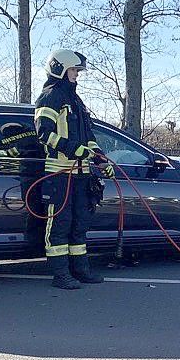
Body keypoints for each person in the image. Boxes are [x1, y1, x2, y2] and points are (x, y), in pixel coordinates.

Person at [34, 49, 115, 289]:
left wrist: (101, 160)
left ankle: (80, 269)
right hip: (59, 174)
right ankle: (60, 274)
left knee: (80, 223)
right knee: (59, 224)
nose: (77, 75)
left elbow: (88, 138)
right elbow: (43, 133)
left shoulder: (76, 101)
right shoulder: (49, 97)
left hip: (81, 175)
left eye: (78, 71)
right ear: (59, 69)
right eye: (74, 70)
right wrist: (73, 149)